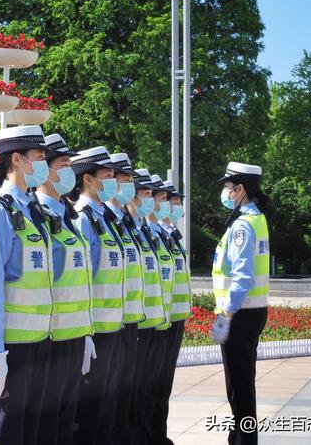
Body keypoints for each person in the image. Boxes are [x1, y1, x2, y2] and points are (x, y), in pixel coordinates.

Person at [0, 125, 54, 445]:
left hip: (38, 342)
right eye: (39, 157)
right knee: (4, 434)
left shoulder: (33, 210)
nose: (44, 165)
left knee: (31, 433)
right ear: (18, 161)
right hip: (11, 347)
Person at [36, 133, 94, 445]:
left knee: (64, 419)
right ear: (44, 170)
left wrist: (84, 331)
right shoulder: (36, 215)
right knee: (48, 423)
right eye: (63, 165)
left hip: (73, 332)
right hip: (52, 334)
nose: (68, 173)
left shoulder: (66, 215)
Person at [211, 162, 270, 445]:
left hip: (240, 314)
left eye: (227, 187)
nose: (225, 192)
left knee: (239, 387)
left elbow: (242, 276)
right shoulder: (256, 219)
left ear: (240, 189)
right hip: (252, 312)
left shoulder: (243, 226)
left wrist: (226, 313)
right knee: (243, 383)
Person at [70, 146, 124, 445]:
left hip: (111, 324)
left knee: (105, 407)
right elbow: (84, 277)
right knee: (89, 413)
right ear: (89, 180)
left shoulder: (102, 218)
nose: (113, 182)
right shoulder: (83, 218)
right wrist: (86, 329)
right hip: (94, 328)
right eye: (108, 176)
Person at [104, 153, 144, 445]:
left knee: (127, 394)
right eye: (123, 180)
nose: (129, 186)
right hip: (106, 323)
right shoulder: (95, 219)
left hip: (128, 317)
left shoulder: (125, 221)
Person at [151, 179, 192, 445]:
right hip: (150, 320)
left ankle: (157, 435)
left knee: (160, 387)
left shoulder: (166, 232)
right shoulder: (150, 231)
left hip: (171, 316)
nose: (173, 206)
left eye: (175, 202)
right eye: (167, 201)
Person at [139, 173, 176, 444]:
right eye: (152, 195)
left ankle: (155, 436)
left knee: (158, 389)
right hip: (138, 322)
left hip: (163, 317)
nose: (159, 202)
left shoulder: (160, 232)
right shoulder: (140, 230)